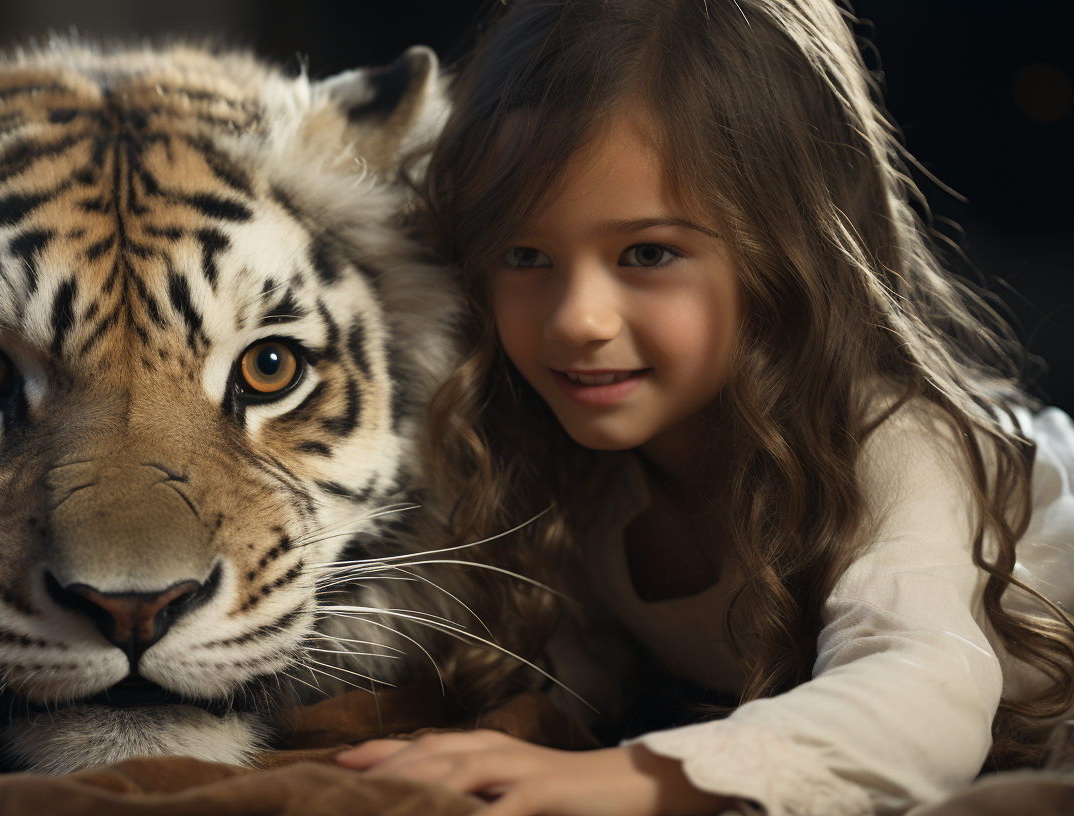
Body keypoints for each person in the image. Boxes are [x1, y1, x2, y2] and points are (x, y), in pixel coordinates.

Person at [334, 1, 1074, 814]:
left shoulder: (893, 446)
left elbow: (922, 701)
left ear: (784, 252)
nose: (577, 318)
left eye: (648, 253)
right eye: (525, 255)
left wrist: (627, 779)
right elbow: (596, 663)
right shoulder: (589, 468)